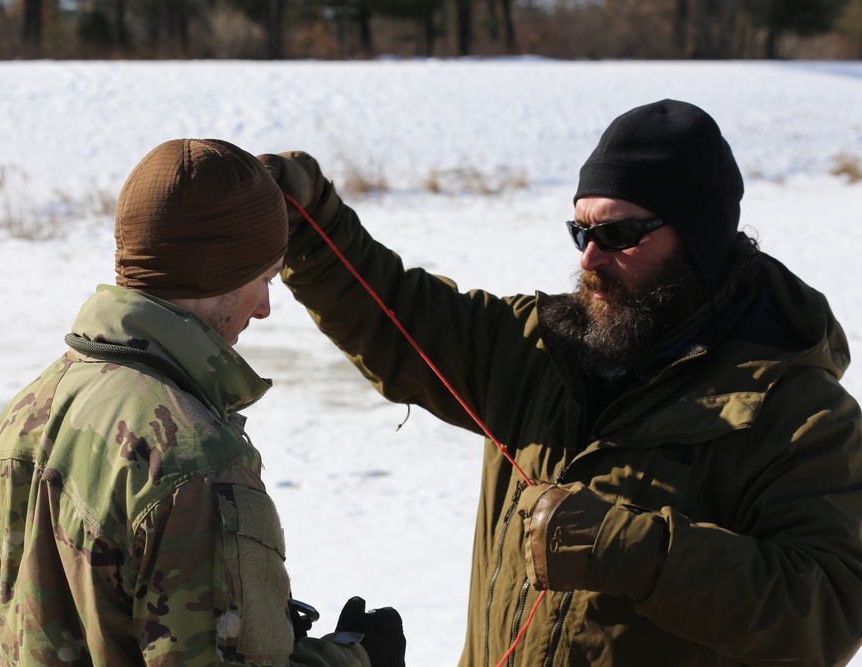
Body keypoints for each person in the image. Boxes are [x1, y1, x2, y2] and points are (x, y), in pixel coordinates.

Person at [260, 99, 862, 666]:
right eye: (581, 232)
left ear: (698, 239)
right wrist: (312, 222)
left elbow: (829, 611)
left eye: (619, 235)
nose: (590, 259)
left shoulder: (800, 413)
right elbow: (394, 313)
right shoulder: (538, 345)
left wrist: (632, 551)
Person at [0, 138, 406, 667]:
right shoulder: (193, 463)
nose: (266, 308)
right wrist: (358, 661)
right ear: (217, 271)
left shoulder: (29, 411)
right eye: (263, 279)